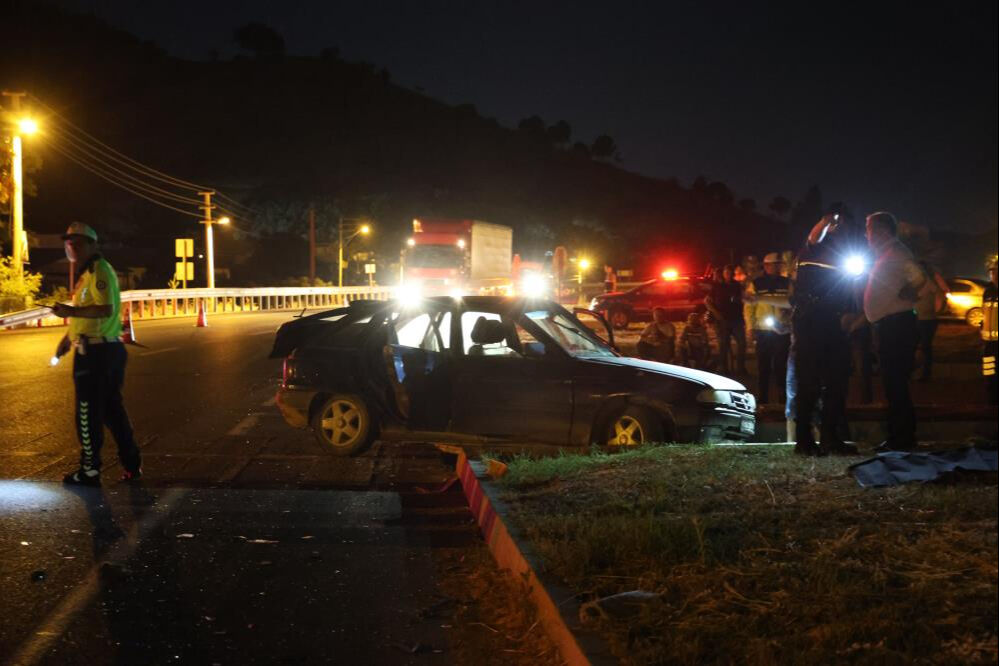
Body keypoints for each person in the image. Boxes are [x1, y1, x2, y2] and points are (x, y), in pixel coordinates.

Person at [51, 222, 142, 486]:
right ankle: (132, 463)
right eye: (69, 243)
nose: (72, 248)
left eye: (78, 243)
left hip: (98, 353)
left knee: (87, 412)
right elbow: (86, 314)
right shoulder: (87, 274)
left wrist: (70, 313)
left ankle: (90, 469)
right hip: (97, 348)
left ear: (92, 244)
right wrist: (68, 338)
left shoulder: (99, 270)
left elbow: (104, 309)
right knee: (112, 410)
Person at [789, 213, 863, 456]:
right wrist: (825, 220)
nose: (838, 229)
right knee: (808, 382)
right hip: (810, 322)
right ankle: (804, 441)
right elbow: (814, 236)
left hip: (835, 324)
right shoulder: (812, 248)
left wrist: (852, 315)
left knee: (837, 383)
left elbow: (849, 291)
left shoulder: (844, 256)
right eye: (835, 226)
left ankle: (831, 438)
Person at [863, 211, 926, 452]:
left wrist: (912, 289)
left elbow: (920, 277)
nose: (866, 235)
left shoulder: (897, 253)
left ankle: (902, 438)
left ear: (882, 231)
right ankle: (898, 436)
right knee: (892, 384)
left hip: (897, 327)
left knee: (896, 384)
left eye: (868, 229)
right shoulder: (887, 254)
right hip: (890, 326)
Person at [745, 253, 791, 403]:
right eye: (774, 264)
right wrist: (750, 328)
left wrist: (789, 322)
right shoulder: (756, 284)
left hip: (782, 330)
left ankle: (782, 397)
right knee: (763, 366)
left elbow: (793, 305)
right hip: (763, 331)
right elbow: (748, 307)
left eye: (779, 264)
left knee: (781, 365)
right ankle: (763, 399)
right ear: (766, 266)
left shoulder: (788, 283)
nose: (777, 267)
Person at [704, 264, 747, 375]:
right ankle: (724, 368)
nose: (729, 275)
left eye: (731, 272)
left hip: (737, 319)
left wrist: (740, 300)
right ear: (723, 274)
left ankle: (740, 368)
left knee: (742, 343)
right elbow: (707, 301)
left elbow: (743, 299)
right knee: (723, 345)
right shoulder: (717, 286)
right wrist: (716, 313)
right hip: (722, 320)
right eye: (727, 273)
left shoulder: (737, 285)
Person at [914, 260, 949, 381]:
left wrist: (937, 309)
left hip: (927, 319)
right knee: (916, 345)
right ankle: (917, 369)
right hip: (918, 318)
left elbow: (941, 292)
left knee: (925, 346)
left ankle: (925, 373)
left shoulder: (928, 282)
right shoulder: (915, 282)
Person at [981, 257, 997, 405]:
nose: (995, 275)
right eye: (992, 272)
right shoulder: (988, 291)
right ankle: (990, 391)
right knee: (989, 367)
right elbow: (984, 312)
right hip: (988, 341)